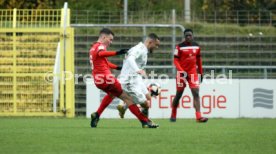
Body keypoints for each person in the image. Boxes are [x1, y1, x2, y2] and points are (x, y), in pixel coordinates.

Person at [89, 28, 159, 128]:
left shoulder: (92, 48)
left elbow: (103, 62)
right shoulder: (100, 46)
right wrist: (118, 52)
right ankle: (145, 121)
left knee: (112, 94)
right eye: (110, 39)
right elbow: (101, 54)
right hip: (106, 78)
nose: (110, 42)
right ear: (104, 37)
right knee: (128, 99)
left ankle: (97, 115)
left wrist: (118, 67)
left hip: (98, 80)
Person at [116, 33, 161, 119]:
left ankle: (123, 108)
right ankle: (144, 121)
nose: (156, 47)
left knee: (148, 97)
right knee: (146, 104)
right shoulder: (139, 49)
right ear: (150, 42)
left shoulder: (144, 50)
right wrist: (138, 70)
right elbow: (130, 59)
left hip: (136, 79)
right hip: (129, 81)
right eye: (156, 45)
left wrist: (139, 71)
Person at [170, 28, 208, 123]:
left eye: (190, 35)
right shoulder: (179, 47)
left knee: (196, 93)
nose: (188, 37)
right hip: (181, 73)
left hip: (192, 73)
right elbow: (175, 60)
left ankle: (198, 116)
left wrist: (200, 73)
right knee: (179, 94)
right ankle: (173, 113)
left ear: (192, 36)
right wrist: (181, 71)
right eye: (186, 35)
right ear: (184, 36)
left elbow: (199, 60)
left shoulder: (197, 46)